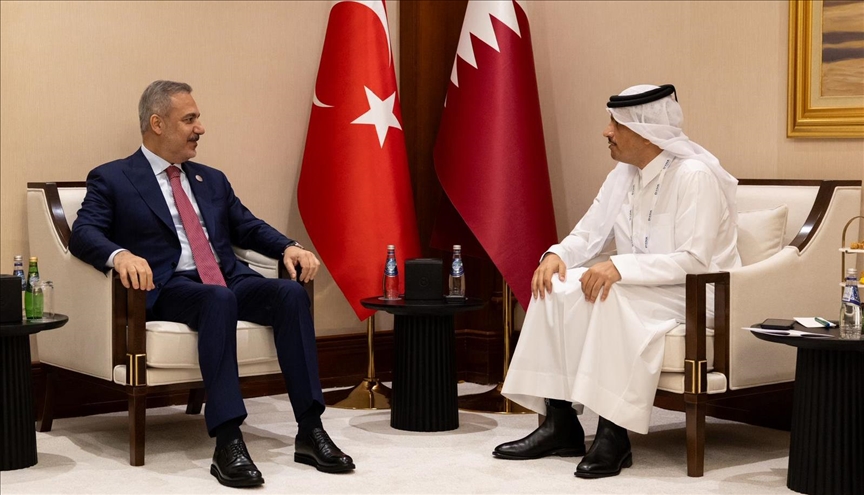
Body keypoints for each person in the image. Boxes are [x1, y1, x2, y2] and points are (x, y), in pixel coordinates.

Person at [70, 80, 354, 488]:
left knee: (289, 293)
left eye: (197, 119)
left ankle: (310, 430)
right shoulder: (113, 178)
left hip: (227, 278)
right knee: (217, 300)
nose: (200, 128)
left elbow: (248, 227)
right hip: (171, 287)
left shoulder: (211, 179)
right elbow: (83, 233)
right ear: (157, 124)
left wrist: (289, 246)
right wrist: (121, 255)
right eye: (189, 119)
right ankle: (228, 440)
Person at [494, 84, 740, 479]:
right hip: (642, 285)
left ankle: (613, 434)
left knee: (610, 294)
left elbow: (694, 261)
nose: (607, 132)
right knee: (555, 286)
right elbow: (589, 232)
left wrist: (621, 268)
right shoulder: (624, 175)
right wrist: (557, 255)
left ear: (646, 131)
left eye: (616, 124)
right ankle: (559, 424)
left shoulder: (694, 176)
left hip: (698, 293)